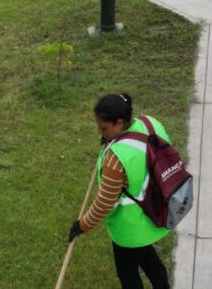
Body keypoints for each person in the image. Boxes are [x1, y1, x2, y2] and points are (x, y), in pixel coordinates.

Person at [67, 93, 171, 289]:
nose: (100, 131)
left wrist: (82, 225)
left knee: (128, 274)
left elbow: (104, 204)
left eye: (104, 128)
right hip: (155, 212)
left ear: (120, 122)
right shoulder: (149, 124)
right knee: (149, 259)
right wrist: (110, 139)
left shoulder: (116, 160)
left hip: (131, 228)